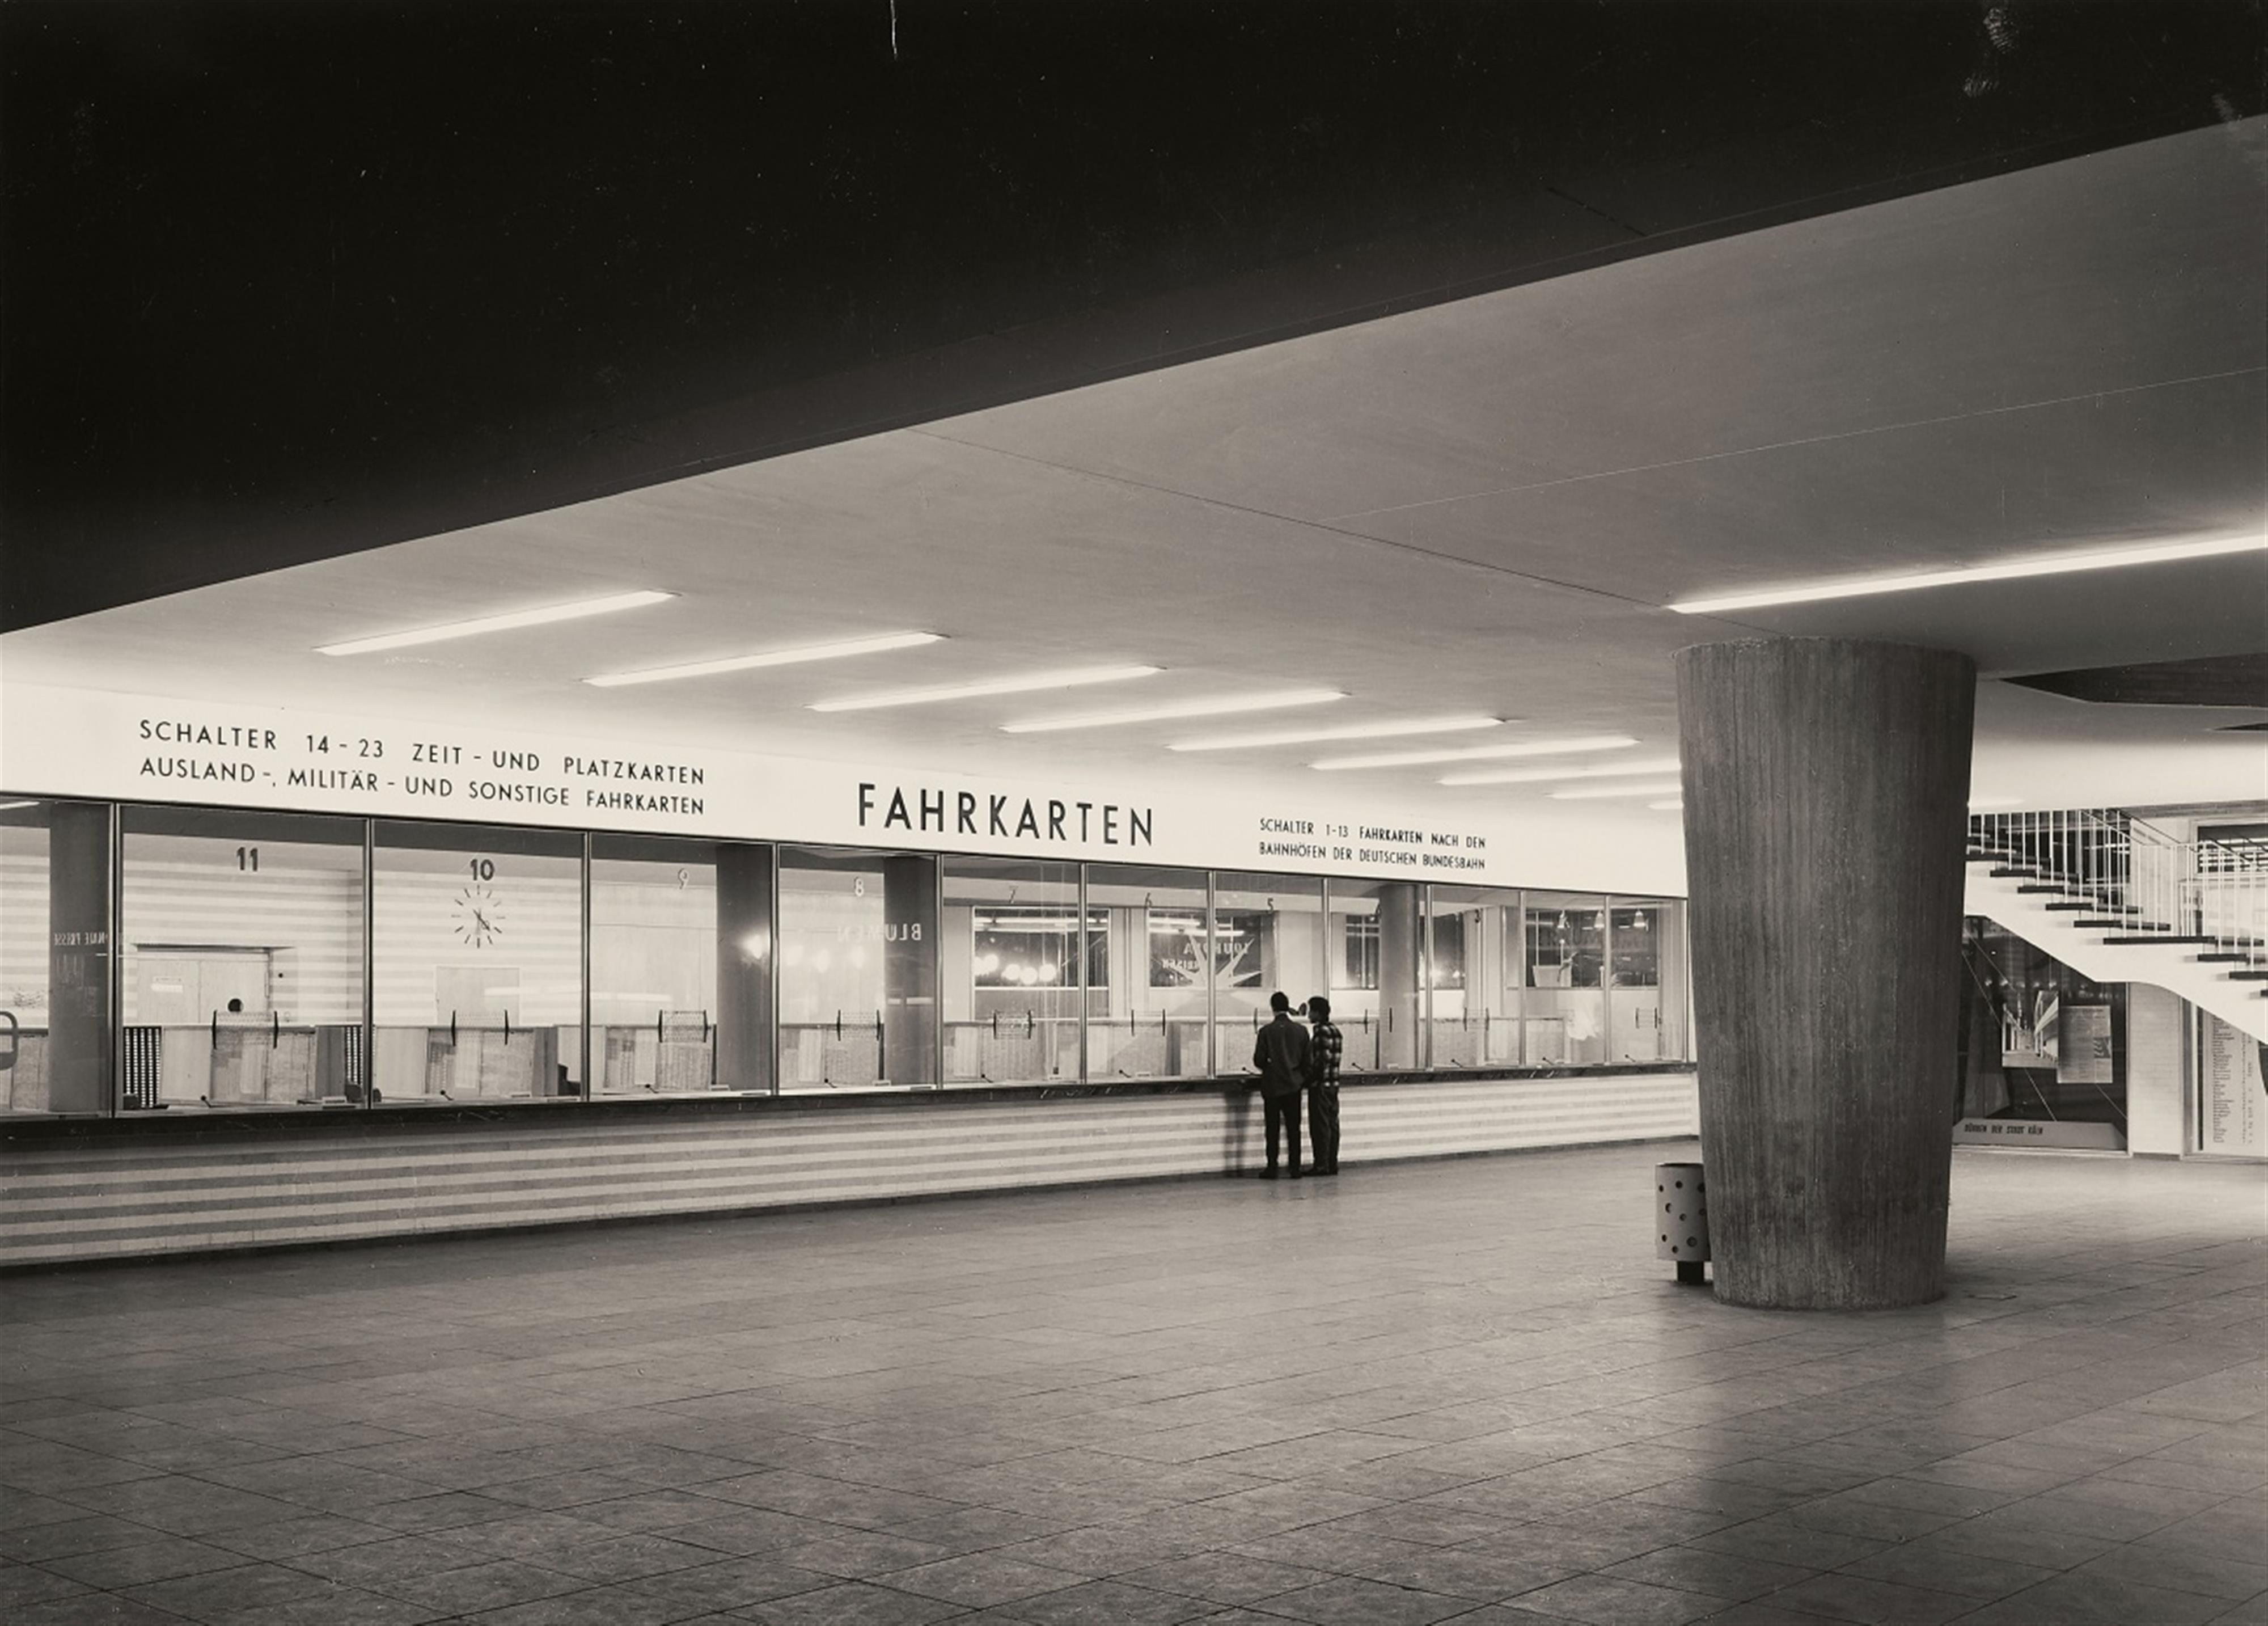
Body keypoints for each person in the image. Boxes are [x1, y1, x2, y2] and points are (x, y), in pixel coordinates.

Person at [1251, 990, 1310, 1177]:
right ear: (1287, 1006)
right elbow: (1307, 1061)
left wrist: (1270, 1067)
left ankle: (1272, 1167)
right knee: (1294, 1129)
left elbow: (1259, 1060)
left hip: (1272, 1087)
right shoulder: (1301, 1031)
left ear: (1273, 1007)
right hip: (1294, 1086)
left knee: (1273, 1128)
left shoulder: (1266, 1031)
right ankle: (1295, 1168)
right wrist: (1300, 1078)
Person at [1305, 994, 1342, 1175]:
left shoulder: (1320, 1030)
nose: (1308, 1014)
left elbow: (1322, 1059)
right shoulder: (1336, 1030)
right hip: (1334, 1084)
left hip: (1321, 1085)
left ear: (1318, 1013)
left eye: (1310, 1010)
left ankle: (1321, 1165)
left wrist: (1310, 1079)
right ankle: (1332, 1163)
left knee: (1320, 1126)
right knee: (1332, 1124)